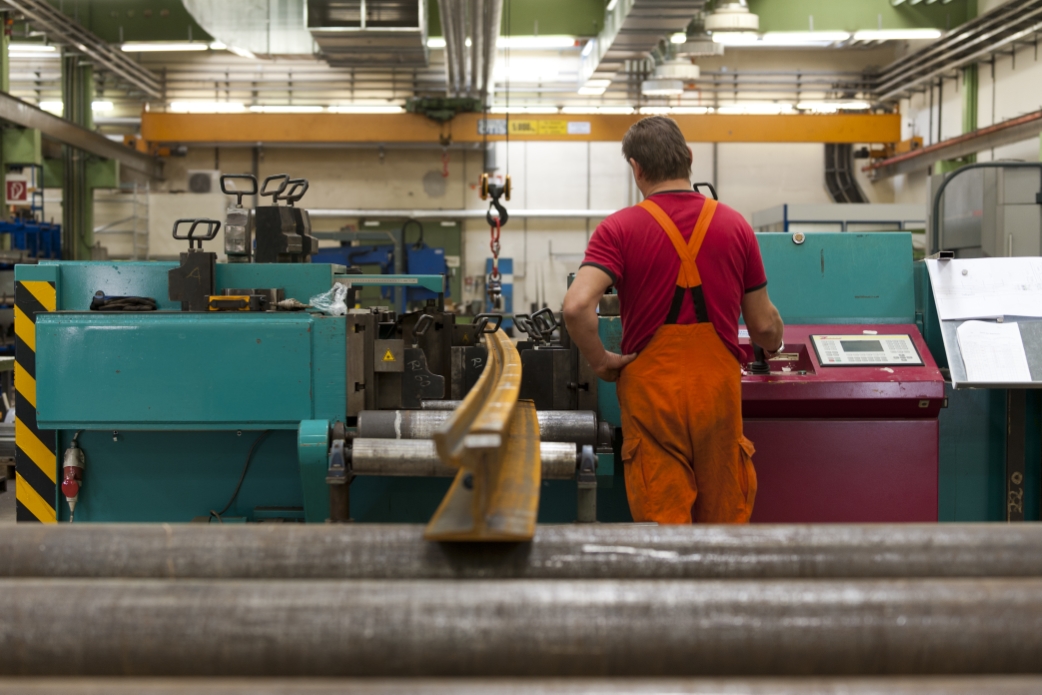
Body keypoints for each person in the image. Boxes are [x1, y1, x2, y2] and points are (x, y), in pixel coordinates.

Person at [562, 116, 784, 524]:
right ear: (689, 158)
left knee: (663, 524)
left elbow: (576, 306)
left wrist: (602, 361)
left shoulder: (618, 229)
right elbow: (764, 327)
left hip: (653, 393)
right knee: (723, 520)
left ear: (636, 168)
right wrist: (776, 345)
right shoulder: (736, 225)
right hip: (716, 391)